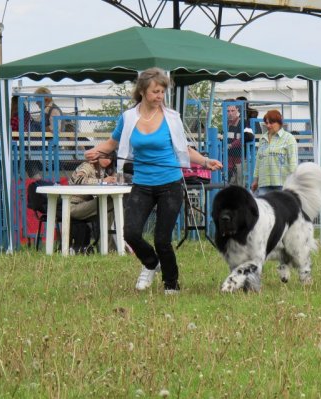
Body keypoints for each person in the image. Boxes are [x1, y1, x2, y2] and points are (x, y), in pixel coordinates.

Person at [84, 67, 222, 294]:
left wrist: (206, 162)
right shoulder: (128, 118)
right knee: (130, 233)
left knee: (162, 239)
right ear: (142, 92)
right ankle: (151, 264)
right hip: (143, 183)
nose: (160, 96)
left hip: (170, 184)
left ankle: (171, 285)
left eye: (162, 92)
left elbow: (185, 150)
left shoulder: (172, 118)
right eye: (155, 92)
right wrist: (94, 151)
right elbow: (111, 144)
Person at [250, 109, 298, 195]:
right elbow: (258, 161)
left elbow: (293, 162)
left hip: (282, 183)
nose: (268, 125)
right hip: (264, 184)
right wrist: (256, 180)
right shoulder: (262, 139)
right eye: (266, 123)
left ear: (279, 123)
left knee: (281, 208)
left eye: (271, 123)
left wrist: (293, 182)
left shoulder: (289, 138)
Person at [225, 98, 255, 185]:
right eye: (228, 111)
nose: (230, 113)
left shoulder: (244, 122)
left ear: (237, 110)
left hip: (240, 159)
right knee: (228, 184)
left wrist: (232, 145)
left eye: (232, 110)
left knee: (240, 183)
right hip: (228, 159)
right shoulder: (225, 124)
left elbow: (249, 137)